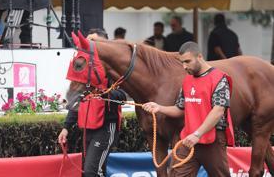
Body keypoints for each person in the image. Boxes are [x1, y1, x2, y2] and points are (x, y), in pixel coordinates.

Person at [142, 41, 234, 177]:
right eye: (182, 63)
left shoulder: (219, 78)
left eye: (187, 61)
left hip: (211, 140)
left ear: (200, 57)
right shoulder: (187, 80)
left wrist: (197, 134)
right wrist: (159, 107)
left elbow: (218, 111)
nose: (184, 66)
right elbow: (180, 109)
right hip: (187, 140)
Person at [58, 28, 126, 177]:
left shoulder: (114, 70)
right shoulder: (87, 71)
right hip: (88, 128)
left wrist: (104, 92)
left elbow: (123, 96)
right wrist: (66, 128)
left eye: (92, 41)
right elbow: (76, 100)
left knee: (93, 172)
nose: (88, 45)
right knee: (88, 172)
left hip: (106, 128)